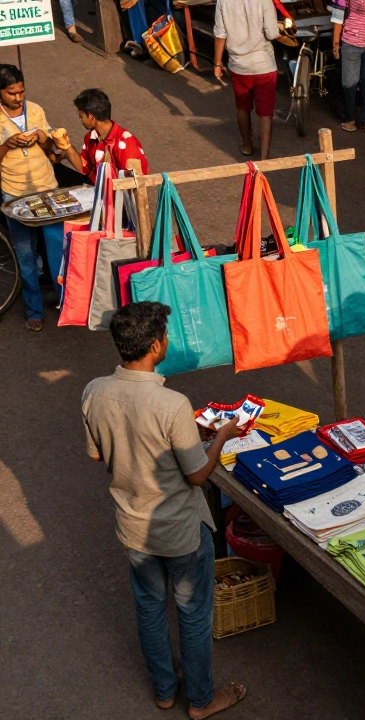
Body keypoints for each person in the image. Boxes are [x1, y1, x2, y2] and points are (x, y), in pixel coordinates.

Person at [81, 302, 247, 718]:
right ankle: (203, 700)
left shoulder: (93, 391)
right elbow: (196, 476)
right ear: (157, 345)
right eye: (166, 336)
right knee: (192, 613)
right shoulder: (171, 403)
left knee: (150, 608)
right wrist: (222, 435)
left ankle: (164, 691)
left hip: (132, 526)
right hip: (179, 531)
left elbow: (96, 455)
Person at [0, 64, 66, 332]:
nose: (18, 97)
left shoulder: (36, 110)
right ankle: (34, 310)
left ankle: (65, 304)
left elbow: (53, 150)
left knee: (57, 253)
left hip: (47, 190)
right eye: (11, 93)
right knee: (25, 256)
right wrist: (7, 145)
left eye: (21, 91)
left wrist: (41, 137)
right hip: (15, 195)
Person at [213, 0, 281, 160]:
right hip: (263, 65)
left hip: (238, 65)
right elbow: (271, 33)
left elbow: (220, 34)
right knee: (265, 112)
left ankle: (247, 146)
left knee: (243, 107)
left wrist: (217, 63)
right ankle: (265, 156)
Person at [55, 88, 149, 181]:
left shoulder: (126, 143)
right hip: (95, 187)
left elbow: (136, 181)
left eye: (81, 117)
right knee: (55, 169)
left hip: (116, 193)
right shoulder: (91, 137)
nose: (81, 120)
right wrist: (66, 146)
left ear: (90, 116)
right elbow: (84, 167)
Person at [331, 0, 365, 136]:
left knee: (349, 84)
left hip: (351, 42)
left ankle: (350, 120)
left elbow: (338, 18)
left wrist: (335, 44)